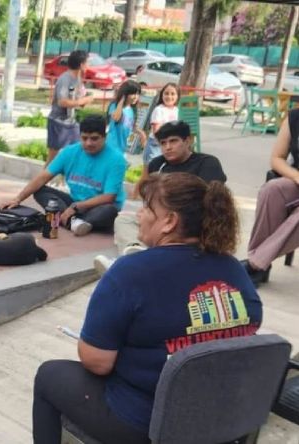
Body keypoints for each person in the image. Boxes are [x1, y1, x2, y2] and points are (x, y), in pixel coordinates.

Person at [32, 172, 263, 444]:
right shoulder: (233, 268)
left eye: (146, 208)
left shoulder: (130, 271)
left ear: (169, 221)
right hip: (222, 416)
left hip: (148, 423)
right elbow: (251, 325)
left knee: (49, 375)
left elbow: (97, 362)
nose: (138, 215)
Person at [94, 120, 228, 272]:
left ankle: (129, 265)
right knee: (124, 220)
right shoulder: (157, 164)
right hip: (160, 219)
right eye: (163, 143)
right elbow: (148, 197)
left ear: (188, 141)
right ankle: (134, 253)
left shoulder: (207, 163)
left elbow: (209, 201)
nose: (168, 147)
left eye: (173, 141)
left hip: (191, 223)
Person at [1, 115, 127, 236]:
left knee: (109, 211)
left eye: (94, 139)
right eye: (84, 138)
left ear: (104, 137)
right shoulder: (69, 152)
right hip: (74, 202)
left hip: (97, 206)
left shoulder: (116, 159)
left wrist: (76, 207)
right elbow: (43, 177)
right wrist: (17, 199)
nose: (88, 143)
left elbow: (109, 197)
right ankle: (74, 222)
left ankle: (68, 220)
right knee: (40, 190)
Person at [242, 109, 299, 287]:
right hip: (297, 180)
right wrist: (296, 176)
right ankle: (261, 265)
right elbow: (277, 158)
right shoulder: (295, 117)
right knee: (271, 190)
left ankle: (256, 264)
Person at [46, 50, 95, 166]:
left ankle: (68, 175)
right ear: (81, 64)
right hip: (58, 122)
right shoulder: (65, 79)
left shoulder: (77, 79)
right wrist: (82, 101)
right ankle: (43, 177)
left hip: (70, 122)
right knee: (52, 158)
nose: (89, 66)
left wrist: (84, 100)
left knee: (78, 150)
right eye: (87, 63)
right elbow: (62, 102)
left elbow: (76, 100)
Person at [142, 83, 180, 165]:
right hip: (156, 144)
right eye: (166, 93)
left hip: (169, 145)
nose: (169, 96)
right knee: (153, 168)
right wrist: (164, 145)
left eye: (173, 94)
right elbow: (156, 130)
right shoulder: (159, 110)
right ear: (162, 95)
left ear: (178, 96)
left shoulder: (176, 110)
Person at [106, 80, 146, 154]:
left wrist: (141, 133)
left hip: (122, 147)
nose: (136, 97)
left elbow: (131, 126)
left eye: (138, 94)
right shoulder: (114, 105)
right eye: (133, 94)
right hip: (111, 146)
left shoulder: (131, 109)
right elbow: (116, 118)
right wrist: (122, 100)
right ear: (125, 93)